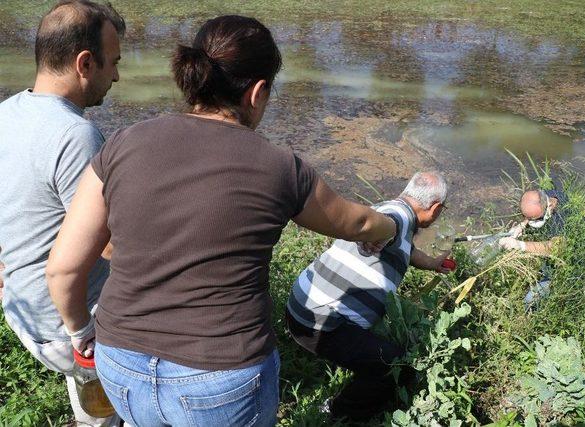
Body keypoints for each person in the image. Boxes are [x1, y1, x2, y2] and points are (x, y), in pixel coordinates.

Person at [46, 15, 397, 427]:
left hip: (121, 365)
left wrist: (79, 332)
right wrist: (393, 225)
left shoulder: (123, 143)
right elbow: (355, 225)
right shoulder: (279, 167)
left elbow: (63, 268)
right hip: (222, 381)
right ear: (258, 91)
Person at [0, 1, 124, 425]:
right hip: (68, 325)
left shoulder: (8, 112)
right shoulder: (76, 135)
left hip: (22, 307)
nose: (118, 76)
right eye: (114, 62)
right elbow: (109, 247)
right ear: (85, 63)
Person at [285, 171, 451, 421]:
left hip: (299, 306)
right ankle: (337, 412)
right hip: (322, 325)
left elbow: (406, 247)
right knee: (395, 366)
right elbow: (390, 224)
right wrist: (381, 232)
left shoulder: (389, 207)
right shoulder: (397, 218)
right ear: (436, 208)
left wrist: (432, 263)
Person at [498, 188, 568, 310]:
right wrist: (523, 224)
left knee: (529, 301)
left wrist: (520, 245)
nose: (532, 222)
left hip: (570, 270)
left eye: (535, 219)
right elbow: (533, 208)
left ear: (548, 207)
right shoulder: (547, 195)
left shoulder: (561, 218)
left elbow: (556, 247)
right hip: (551, 264)